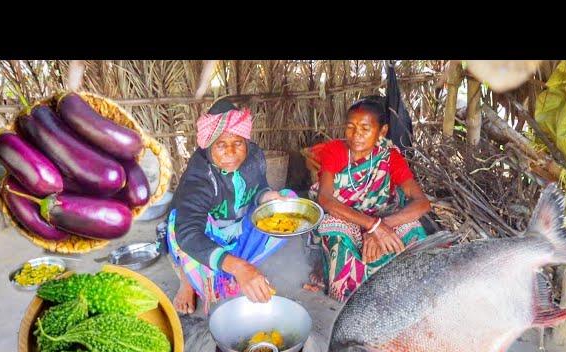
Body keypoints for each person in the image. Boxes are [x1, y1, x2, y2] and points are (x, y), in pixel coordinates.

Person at [167, 98, 295, 314]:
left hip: (238, 224)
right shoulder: (199, 175)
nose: (230, 152)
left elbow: (259, 188)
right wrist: (239, 267)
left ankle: (236, 265)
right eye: (221, 145)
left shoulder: (254, 157)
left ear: (246, 142)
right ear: (208, 145)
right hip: (207, 231)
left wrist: (267, 197)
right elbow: (188, 233)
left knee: (286, 201)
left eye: (238, 143)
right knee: (177, 227)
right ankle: (187, 280)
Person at [306, 95, 431, 302]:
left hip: (380, 218)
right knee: (332, 227)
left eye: (365, 129)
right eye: (351, 127)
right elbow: (326, 200)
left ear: (381, 131)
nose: (356, 135)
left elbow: (422, 203)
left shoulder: (390, 157)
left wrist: (381, 227)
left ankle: (409, 285)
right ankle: (347, 292)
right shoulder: (335, 150)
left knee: (413, 228)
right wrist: (372, 226)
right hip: (344, 217)